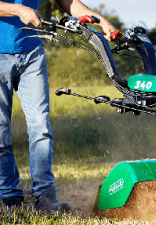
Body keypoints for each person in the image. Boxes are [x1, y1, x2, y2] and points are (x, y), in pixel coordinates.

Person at [0, 0, 115, 212]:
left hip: (32, 53)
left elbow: (69, 3)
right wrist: (18, 9)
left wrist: (103, 23)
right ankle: (8, 196)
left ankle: (45, 195)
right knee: (0, 131)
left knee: (40, 127)